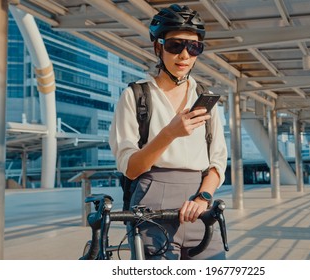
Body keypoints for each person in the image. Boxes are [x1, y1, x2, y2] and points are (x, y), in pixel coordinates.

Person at [109, 4, 227, 260]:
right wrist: (169, 134)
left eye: (194, 47)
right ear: (158, 47)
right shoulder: (136, 96)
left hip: (199, 204)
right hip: (152, 201)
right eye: (175, 45)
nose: (184, 55)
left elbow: (217, 160)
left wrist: (204, 197)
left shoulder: (204, 97)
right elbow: (130, 168)